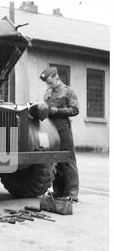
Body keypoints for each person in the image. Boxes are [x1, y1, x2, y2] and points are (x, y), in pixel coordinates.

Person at [40, 66, 79, 202]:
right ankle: (58, 191)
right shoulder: (48, 93)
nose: (48, 85)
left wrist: (58, 111)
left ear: (57, 77)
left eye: (50, 82)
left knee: (68, 160)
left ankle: (72, 193)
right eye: (47, 83)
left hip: (63, 129)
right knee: (55, 161)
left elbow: (75, 110)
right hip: (51, 130)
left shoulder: (68, 91)